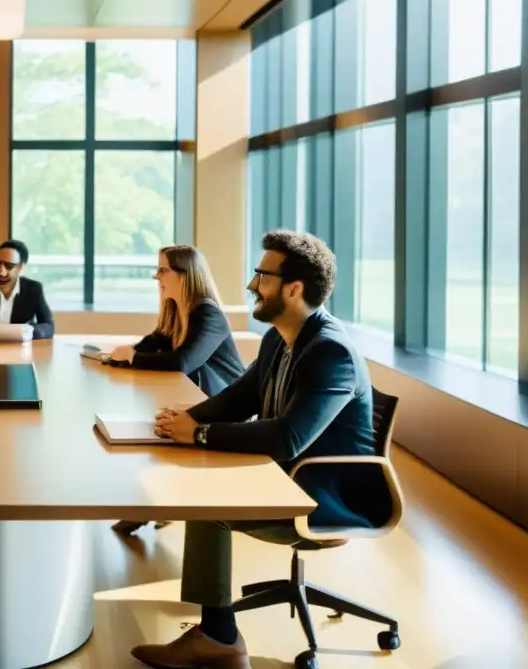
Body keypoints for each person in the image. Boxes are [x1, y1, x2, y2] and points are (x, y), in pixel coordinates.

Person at [130, 230, 379, 669]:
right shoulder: (279, 339)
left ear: (294, 288)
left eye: (262, 276)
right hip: (286, 477)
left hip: (323, 496)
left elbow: (288, 438)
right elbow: (238, 399)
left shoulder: (330, 351)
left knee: (206, 502)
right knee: (199, 483)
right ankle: (217, 634)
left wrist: (201, 436)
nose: (250, 285)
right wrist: (182, 422)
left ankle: (219, 640)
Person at [109, 245, 245, 538]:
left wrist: (132, 357)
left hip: (223, 406)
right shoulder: (176, 311)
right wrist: (122, 355)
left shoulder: (208, 313)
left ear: (185, 275)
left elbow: (184, 362)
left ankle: (156, 505)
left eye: (162, 269)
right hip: (195, 396)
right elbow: (151, 343)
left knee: (160, 432)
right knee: (155, 427)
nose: (155, 276)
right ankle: (154, 504)